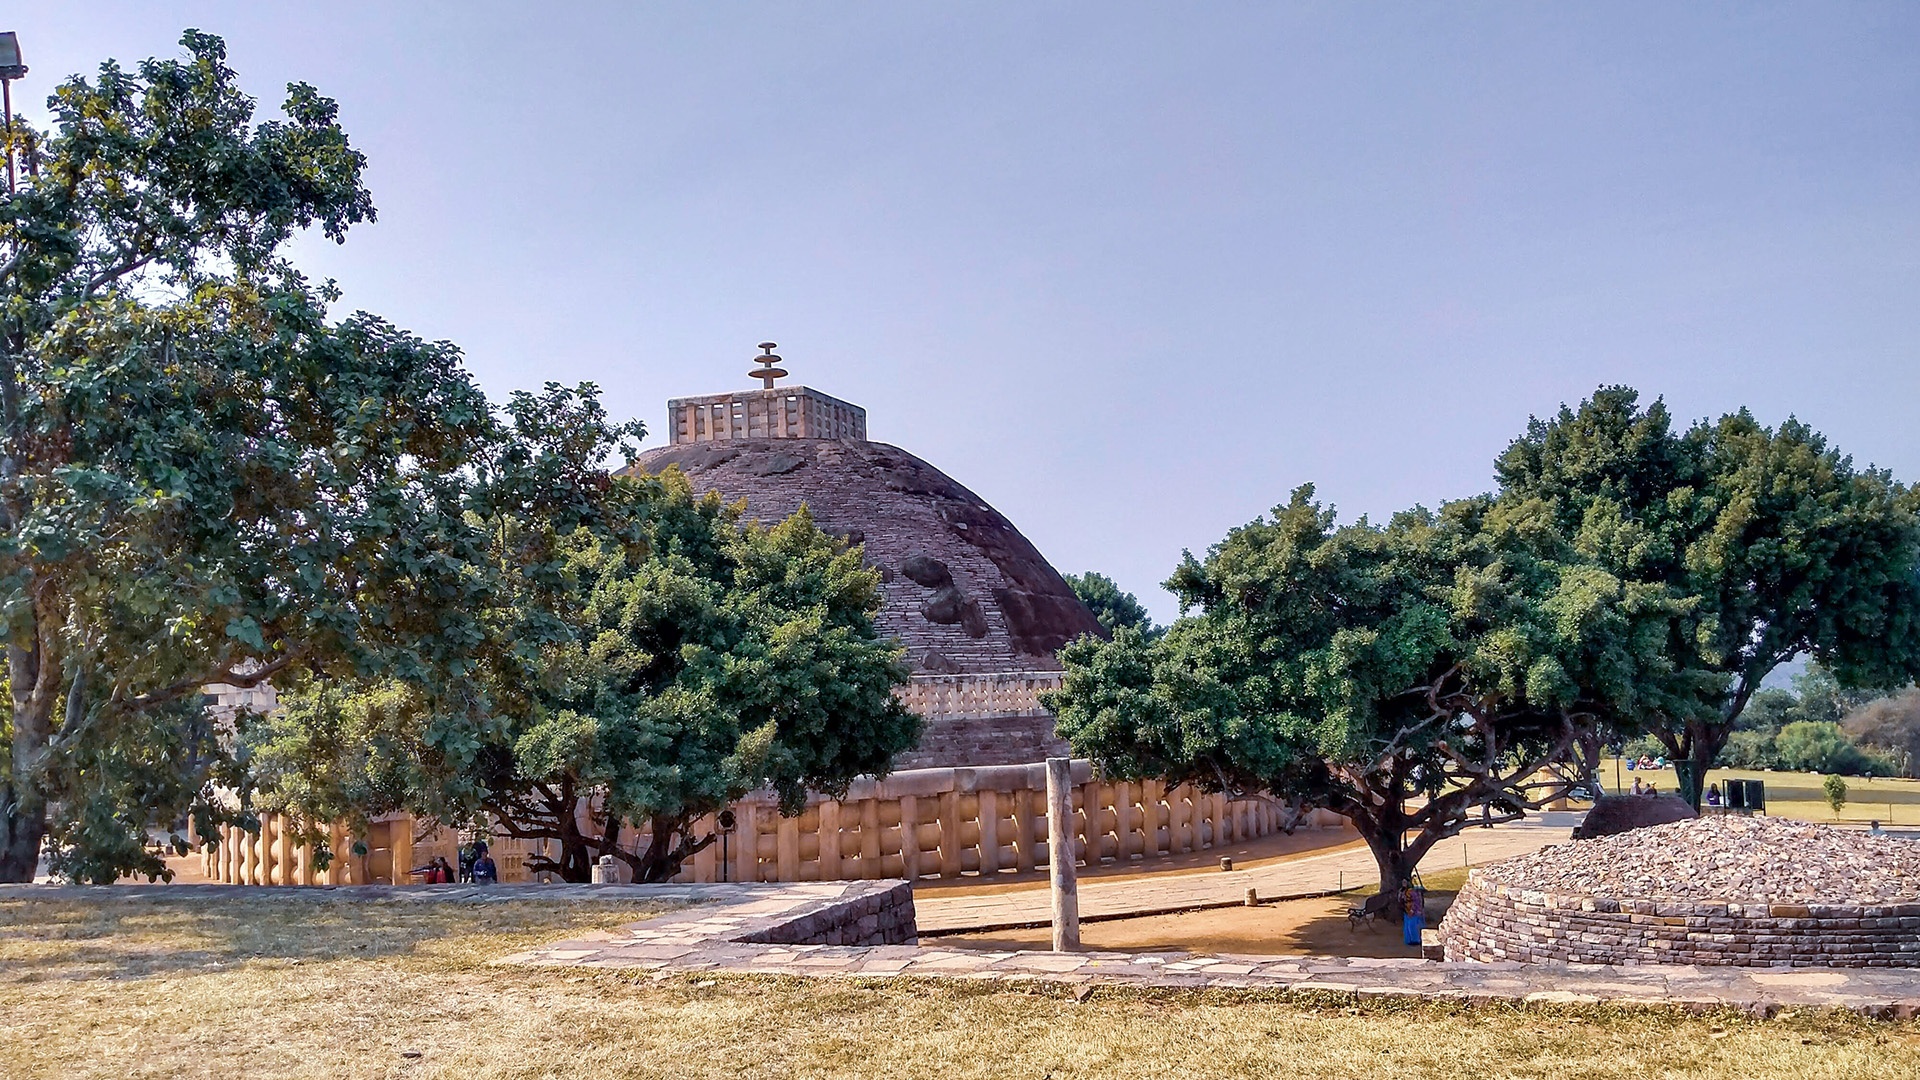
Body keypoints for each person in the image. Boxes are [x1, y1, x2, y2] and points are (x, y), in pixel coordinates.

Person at [1402, 882, 1426, 947]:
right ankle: (1409, 940)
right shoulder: (1403, 891)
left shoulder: (1412, 892)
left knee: (1414, 925)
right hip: (1406, 910)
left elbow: (1416, 902)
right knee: (1408, 925)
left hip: (1414, 911)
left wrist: (1412, 910)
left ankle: (1416, 940)